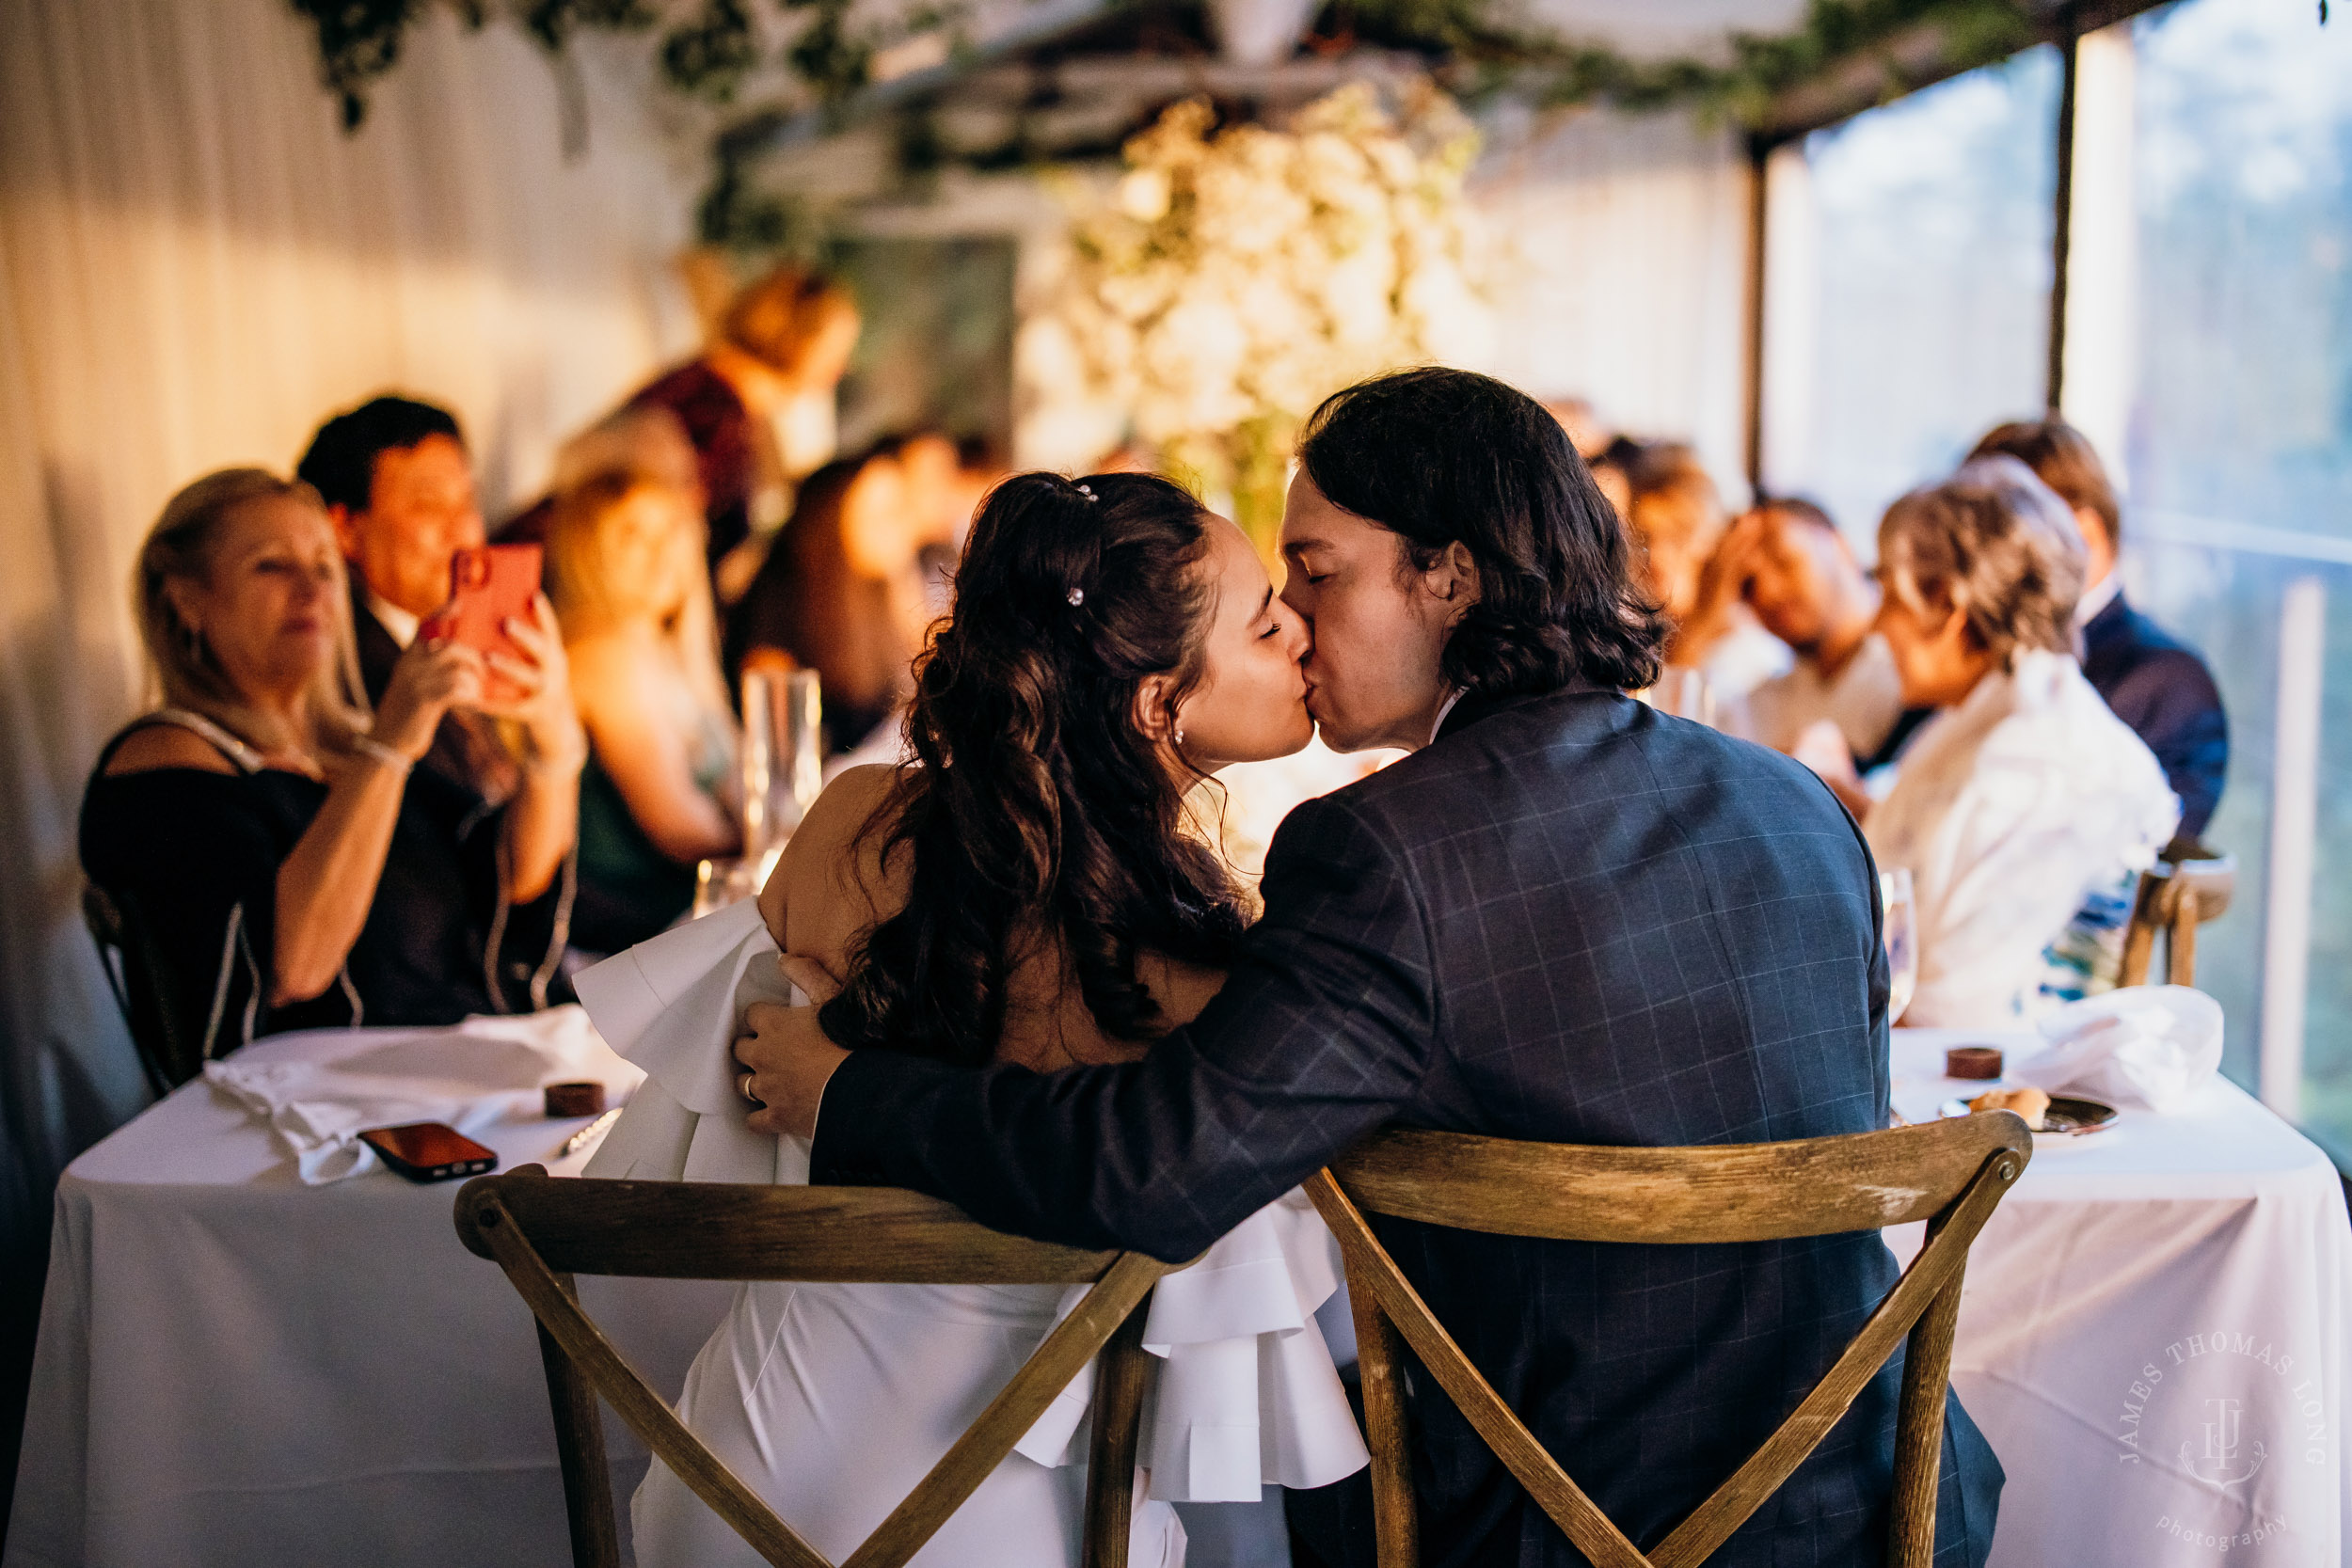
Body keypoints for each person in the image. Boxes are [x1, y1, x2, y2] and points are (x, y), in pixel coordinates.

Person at [736, 369, 2003, 1568]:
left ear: (1449, 577)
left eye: (1318, 568)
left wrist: (851, 1092)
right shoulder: (1798, 805)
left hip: (1544, 1521)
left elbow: (1156, 1168)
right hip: (1870, 1498)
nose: (1293, 617)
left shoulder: (1384, 851)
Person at [628, 471, 1318, 1567]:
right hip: (1015, 1522)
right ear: (1157, 703)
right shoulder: (1198, 968)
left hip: (724, 1488)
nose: (1303, 635)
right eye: (1268, 618)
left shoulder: (849, 827)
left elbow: (715, 1136)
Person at [80, 469, 585, 1059]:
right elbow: (295, 968)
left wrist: (554, 742)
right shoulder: (162, 763)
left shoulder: (345, 746)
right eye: (272, 565)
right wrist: (389, 748)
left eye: (324, 568)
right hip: (310, 1119)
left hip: (446, 1076)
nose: (312, 589)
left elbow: (513, 882)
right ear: (186, 598)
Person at [1855, 458, 2179, 1025]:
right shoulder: (1987, 720)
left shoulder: (2041, 764)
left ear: (1951, 610)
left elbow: (1952, 1011)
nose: (1875, 626)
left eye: (1889, 597)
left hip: (1996, 1090)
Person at [294, 395, 583, 1001]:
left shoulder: (455, 641)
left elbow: (520, 878)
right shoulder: (343, 684)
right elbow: (500, 880)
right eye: (428, 506)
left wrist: (554, 733)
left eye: (469, 503)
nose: (464, 533)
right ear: (345, 529)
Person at [1968, 419, 2227, 846]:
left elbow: (2121, 865)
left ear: (2084, 535)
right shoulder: (1976, 645)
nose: (1973, 564)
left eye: (1994, 538)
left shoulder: (2168, 683)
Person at [545, 470, 740, 954]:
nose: (662, 551)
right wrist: (799, 844)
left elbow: (739, 773)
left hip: (687, 905)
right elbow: (680, 829)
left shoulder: (665, 641)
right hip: (630, 928)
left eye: (671, 529)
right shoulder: (603, 652)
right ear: (587, 551)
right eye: (633, 535)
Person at [626, 262, 861, 597]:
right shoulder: (715, 419)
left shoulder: (713, 388)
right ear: (794, 336)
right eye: (835, 351)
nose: (841, 369)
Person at [724, 444, 940, 755]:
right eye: (885, 514)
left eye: (903, 510)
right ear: (833, 519)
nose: (902, 526)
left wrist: (903, 579)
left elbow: (930, 671)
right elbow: (776, 741)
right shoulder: (782, 594)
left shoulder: (877, 586)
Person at [1707, 498, 1907, 766]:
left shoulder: (1914, 672)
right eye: (1748, 585)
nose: (1768, 593)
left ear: (1841, 546)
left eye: (1784, 560)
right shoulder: (1764, 704)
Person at [1628, 443, 1790, 705]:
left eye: (1678, 536)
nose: (1656, 558)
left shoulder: (1753, 661)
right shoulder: (1647, 646)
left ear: (1724, 543)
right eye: (1646, 538)